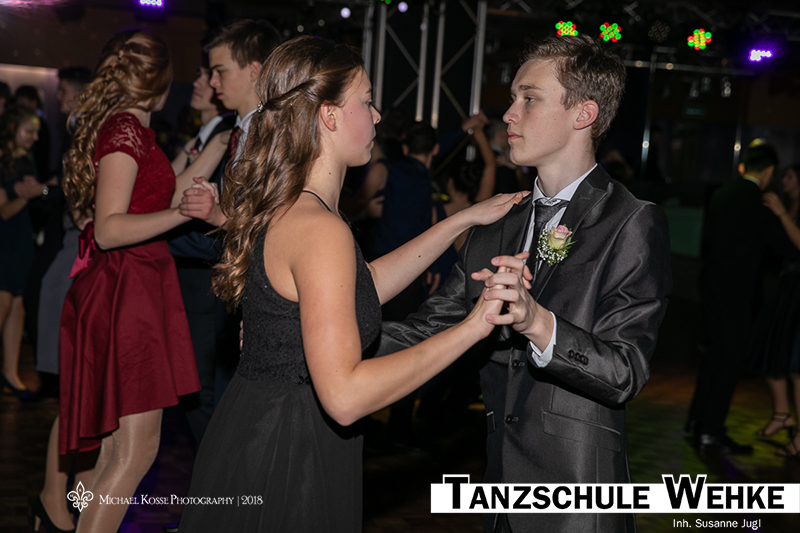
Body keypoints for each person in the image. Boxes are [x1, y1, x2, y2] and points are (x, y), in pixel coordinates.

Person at [179, 36, 522, 532]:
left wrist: (460, 220)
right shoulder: (320, 229)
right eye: (366, 100)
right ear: (329, 115)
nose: (377, 116)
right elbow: (344, 397)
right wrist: (474, 326)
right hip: (288, 452)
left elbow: (360, 286)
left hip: (261, 430)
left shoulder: (297, 207)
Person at [379, 34, 671, 532]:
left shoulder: (631, 221)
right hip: (499, 489)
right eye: (513, 98)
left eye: (529, 98)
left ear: (583, 114)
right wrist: (313, 338)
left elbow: (625, 372)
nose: (509, 115)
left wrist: (538, 322)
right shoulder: (495, 222)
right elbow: (424, 329)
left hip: (579, 499)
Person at [37, 30, 228, 533]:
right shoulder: (124, 130)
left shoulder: (133, 130)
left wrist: (217, 146)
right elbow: (109, 228)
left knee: (115, 453)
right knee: (134, 452)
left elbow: (164, 195)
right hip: (128, 290)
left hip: (133, 287)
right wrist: (181, 216)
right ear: (161, 82)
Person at [687, 142, 800, 456]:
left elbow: (709, 240)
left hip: (711, 284)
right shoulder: (759, 201)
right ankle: (711, 431)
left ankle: (696, 421)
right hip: (737, 292)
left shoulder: (722, 194)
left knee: (715, 353)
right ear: (768, 171)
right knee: (731, 360)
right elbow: (787, 249)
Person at [749, 164, 800, 459]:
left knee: (795, 365)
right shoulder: (789, 204)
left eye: (790, 175)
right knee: (771, 352)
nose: (784, 180)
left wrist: (781, 214)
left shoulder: (786, 208)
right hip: (787, 285)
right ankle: (782, 414)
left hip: (797, 288)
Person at [0, 105, 44, 398]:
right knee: (3, 303)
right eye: (29, 131)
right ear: (11, 130)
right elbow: (3, 211)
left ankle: (11, 373)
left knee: (18, 305)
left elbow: (41, 195)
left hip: (21, 240)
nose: (34, 137)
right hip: (4, 240)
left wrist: (38, 191)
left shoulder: (27, 160)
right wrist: (30, 195)